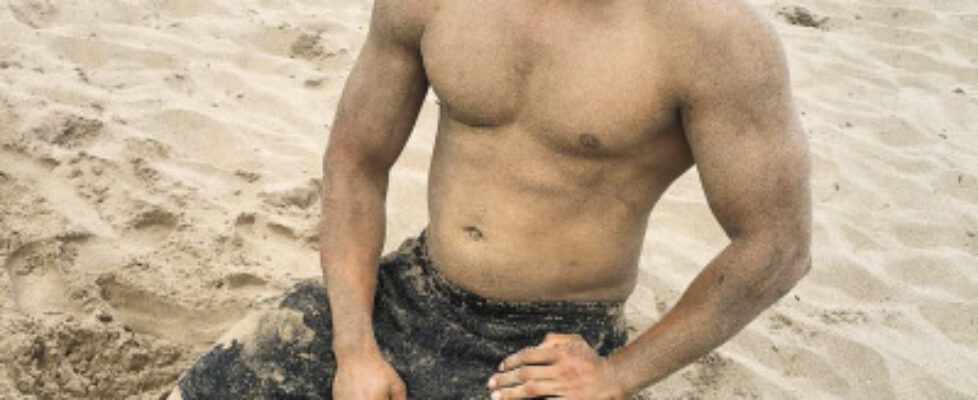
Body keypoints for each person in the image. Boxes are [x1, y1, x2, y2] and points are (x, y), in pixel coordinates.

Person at [169, 0, 811, 398]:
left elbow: (777, 246)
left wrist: (617, 375)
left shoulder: (713, 38)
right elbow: (356, 161)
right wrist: (355, 349)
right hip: (410, 293)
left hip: (549, 347)